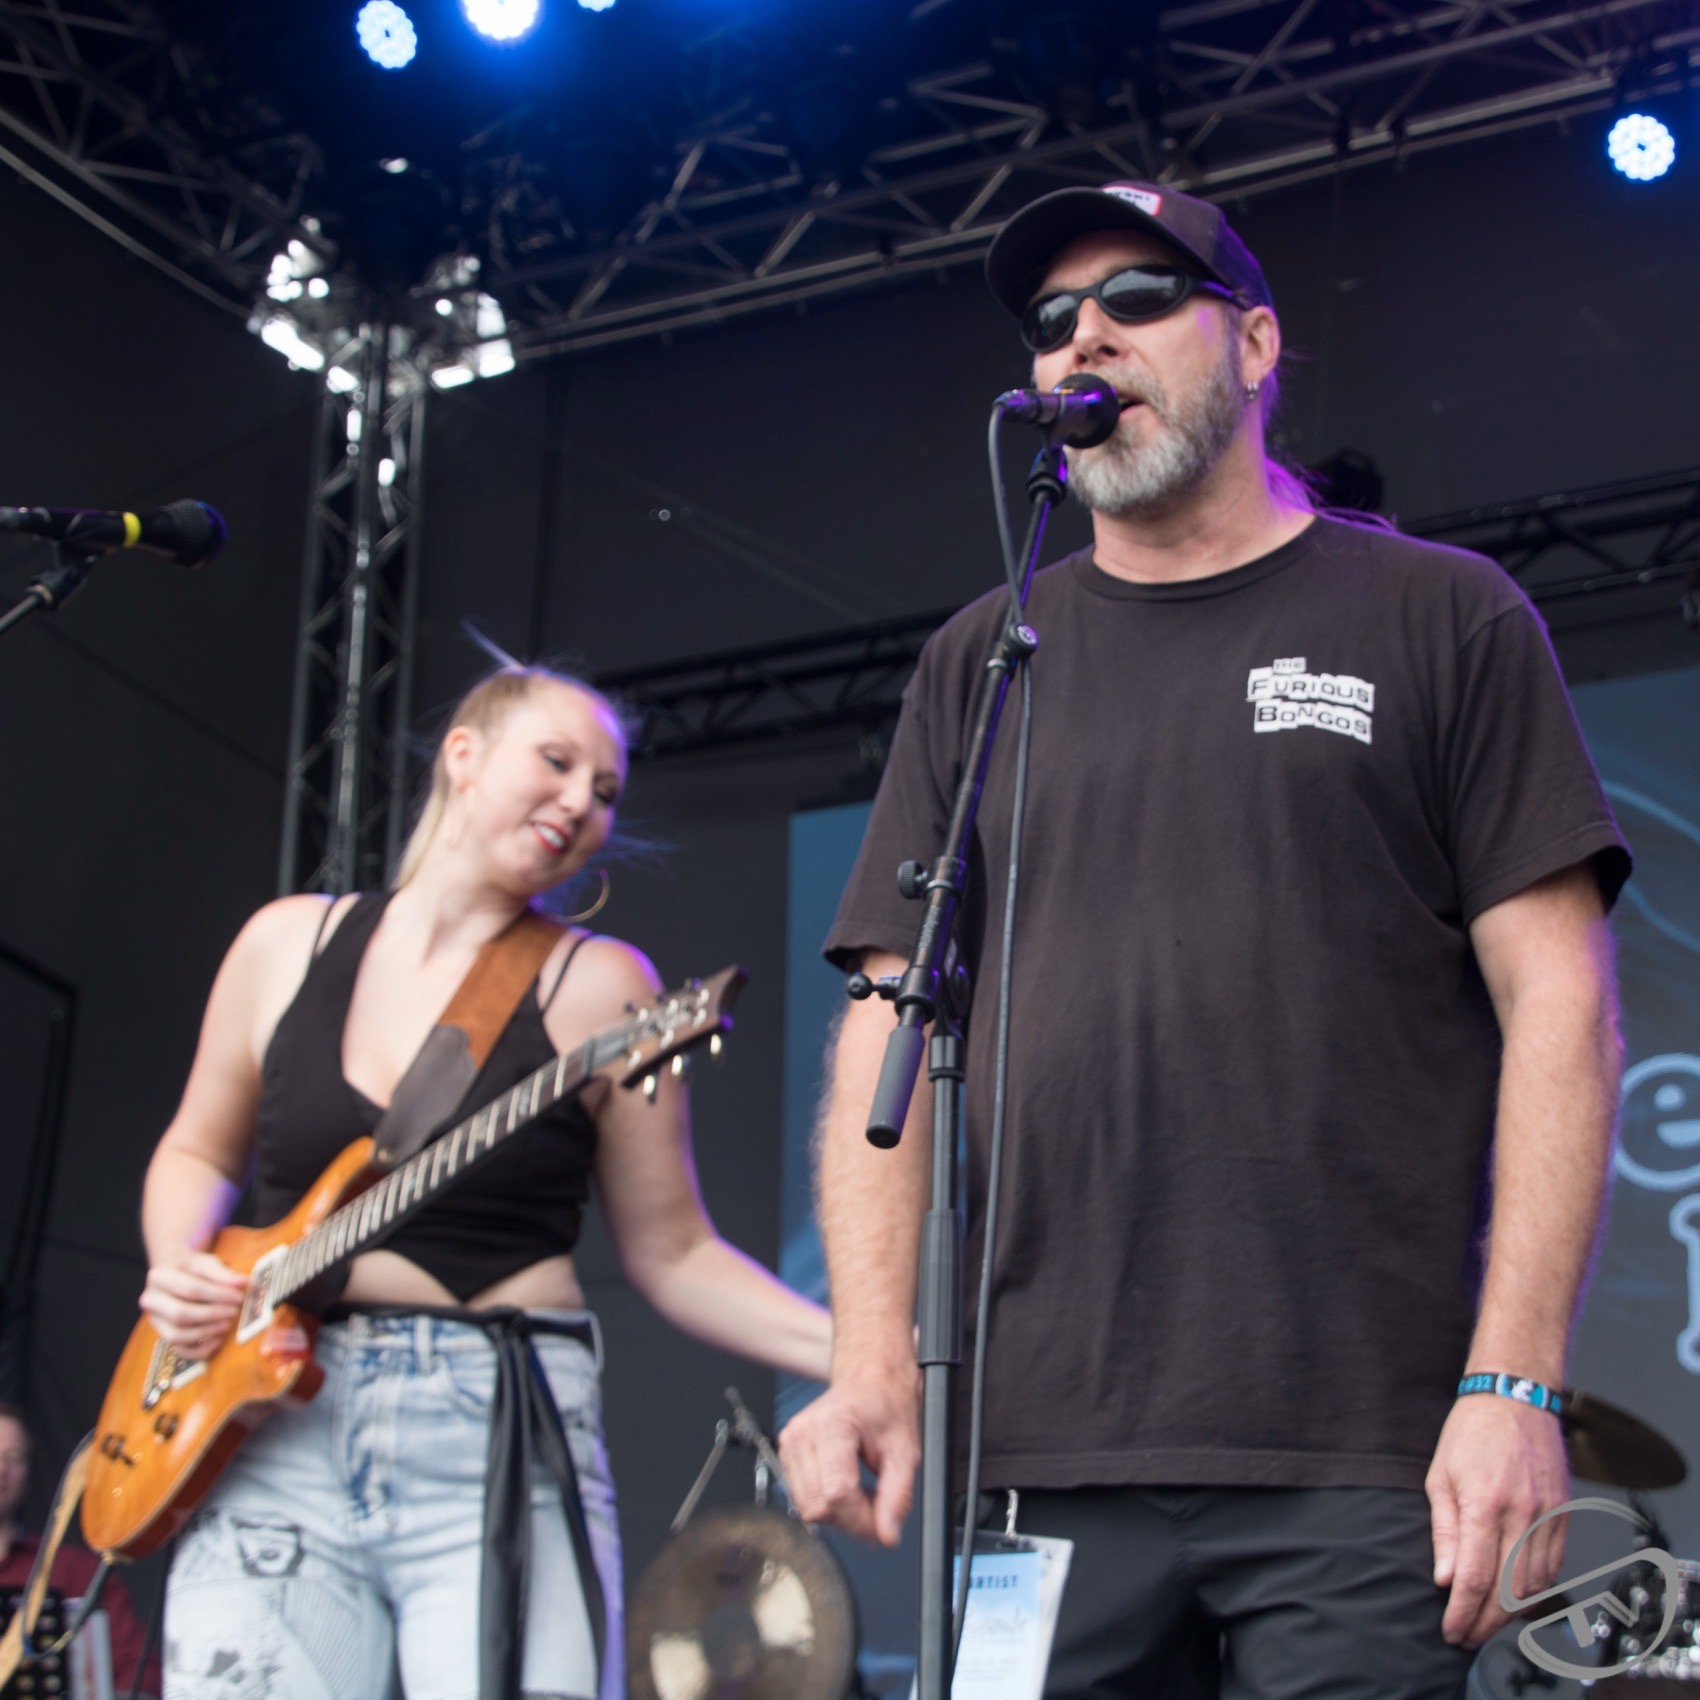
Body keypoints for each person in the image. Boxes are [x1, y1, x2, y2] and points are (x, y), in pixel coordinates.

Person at [777, 180, 1629, 1699]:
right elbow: (884, 1031)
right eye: (1052, 318)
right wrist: (866, 1356)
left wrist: (1514, 1379)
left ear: (1255, 341)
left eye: (1137, 296)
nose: (1083, 336)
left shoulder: (1442, 616)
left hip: (1360, 1447)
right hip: (1039, 1449)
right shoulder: (984, 659)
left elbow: (1561, 1008)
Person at [139, 664, 833, 1700]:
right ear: (461, 755)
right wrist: (177, 1264)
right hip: (269, 1412)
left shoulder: (601, 984)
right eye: (556, 761)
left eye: (606, 791)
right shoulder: (283, 942)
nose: (583, 801)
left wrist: (865, 1355)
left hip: (492, 1424)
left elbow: (677, 1253)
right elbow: (196, 1151)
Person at [0, 1402, 162, 1697]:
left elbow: (139, 1672)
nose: (2, 1470)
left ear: (27, 1474)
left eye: (14, 1458)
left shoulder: (75, 1571)